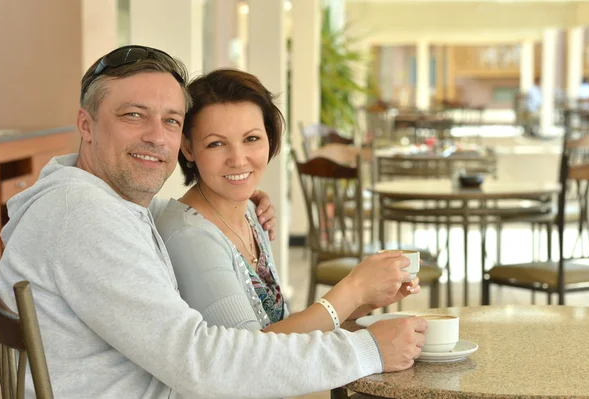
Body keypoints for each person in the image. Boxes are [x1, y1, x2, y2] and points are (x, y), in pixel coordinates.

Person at [0, 45, 426, 398]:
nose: (155, 136)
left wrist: (233, 199)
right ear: (86, 124)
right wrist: (365, 350)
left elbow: (153, 217)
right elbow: (201, 363)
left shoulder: (89, 201)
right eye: (133, 115)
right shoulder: (84, 218)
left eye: (171, 121)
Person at [156, 68, 421, 334]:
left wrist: (366, 299)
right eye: (216, 144)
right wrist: (354, 288)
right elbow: (250, 353)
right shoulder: (189, 235)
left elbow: (282, 329)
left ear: (270, 139)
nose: (238, 159)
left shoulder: (251, 212)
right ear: (188, 148)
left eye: (251, 139)